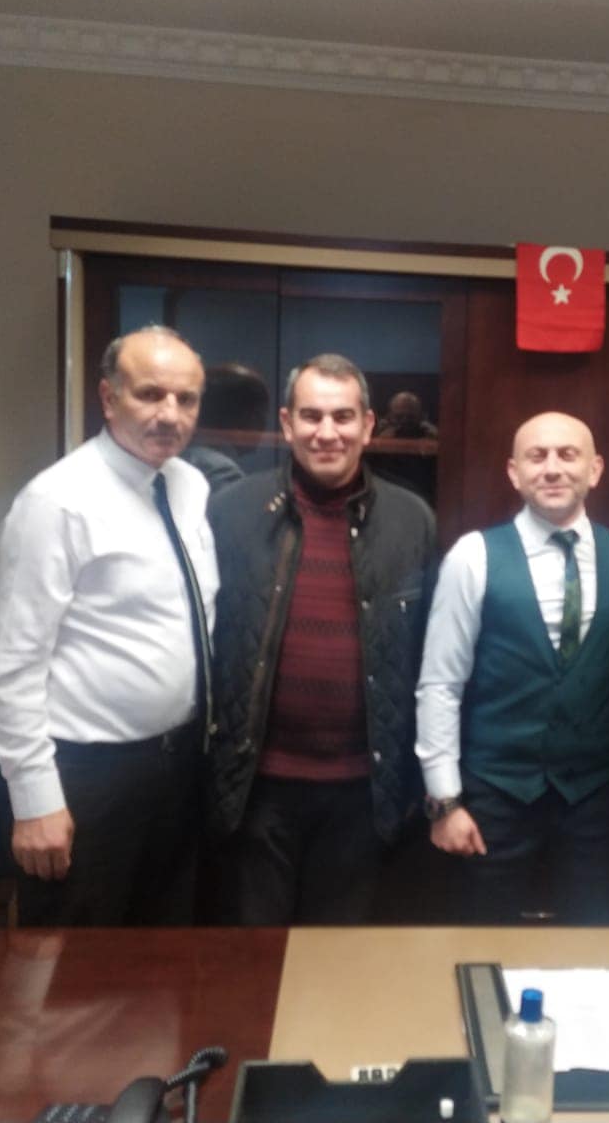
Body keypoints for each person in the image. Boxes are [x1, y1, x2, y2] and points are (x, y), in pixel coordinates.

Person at [0, 326, 214, 926]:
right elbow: (13, 664)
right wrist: (34, 797)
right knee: (74, 968)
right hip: (87, 778)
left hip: (178, 770)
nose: (170, 414)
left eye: (186, 399)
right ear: (109, 398)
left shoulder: (189, 487)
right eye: (150, 394)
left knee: (162, 957)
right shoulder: (57, 501)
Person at [205, 353, 436, 924]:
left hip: (363, 793)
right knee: (255, 956)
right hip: (255, 791)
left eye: (342, 416)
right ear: (287, 424)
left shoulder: (412, 519)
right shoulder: (230, 512)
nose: (326, 432)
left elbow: (428, 658)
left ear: (368, 425)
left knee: (337, 958)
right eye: (311, 416)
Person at [416, 412, 609, 924]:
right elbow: (440, 684)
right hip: (494, 795)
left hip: (594, 796)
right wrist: (444, 801)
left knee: (593, 941)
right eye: (536, 456)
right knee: (483, 939)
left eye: (567, 455)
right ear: (514, 472)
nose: (552, 468)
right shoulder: (473, 556)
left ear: (595, 469)